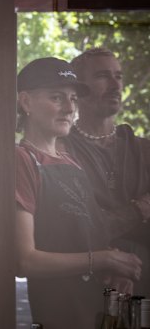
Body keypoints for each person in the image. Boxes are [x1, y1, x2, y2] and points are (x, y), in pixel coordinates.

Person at [14, 57, 143, 328]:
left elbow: (89, 236)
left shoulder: (71, 163)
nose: (69, 108)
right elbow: (25, 261)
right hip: (60, 311)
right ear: (26, 102)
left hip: (96, 311)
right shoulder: (22, 159)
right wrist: (103, 259)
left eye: (72, 99)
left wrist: (115, 266)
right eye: (56, 97)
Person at [60, 47, 150, 298]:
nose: (115, 85)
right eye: (102, 76)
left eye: (118, 76)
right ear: (78, 89)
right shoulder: (61, 149)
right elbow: (75, 227)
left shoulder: (143, 150)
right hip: (81, 291)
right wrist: (140, 208)